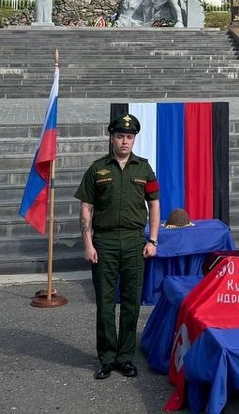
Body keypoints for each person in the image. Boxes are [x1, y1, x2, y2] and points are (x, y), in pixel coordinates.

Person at [75, 112, 160, 380]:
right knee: (105, 303)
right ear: (112, 138)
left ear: (134, 140)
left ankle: (125, 358)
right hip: (105, 243)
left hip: (134, 242)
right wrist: (88, 244)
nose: (125, 141)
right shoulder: (97, 169)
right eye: (120, 136)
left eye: (129, 137)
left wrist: (153, 239)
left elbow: (154, 204)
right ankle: (106, 358)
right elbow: (86, 207)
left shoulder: (144, 169)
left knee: (132, 303)